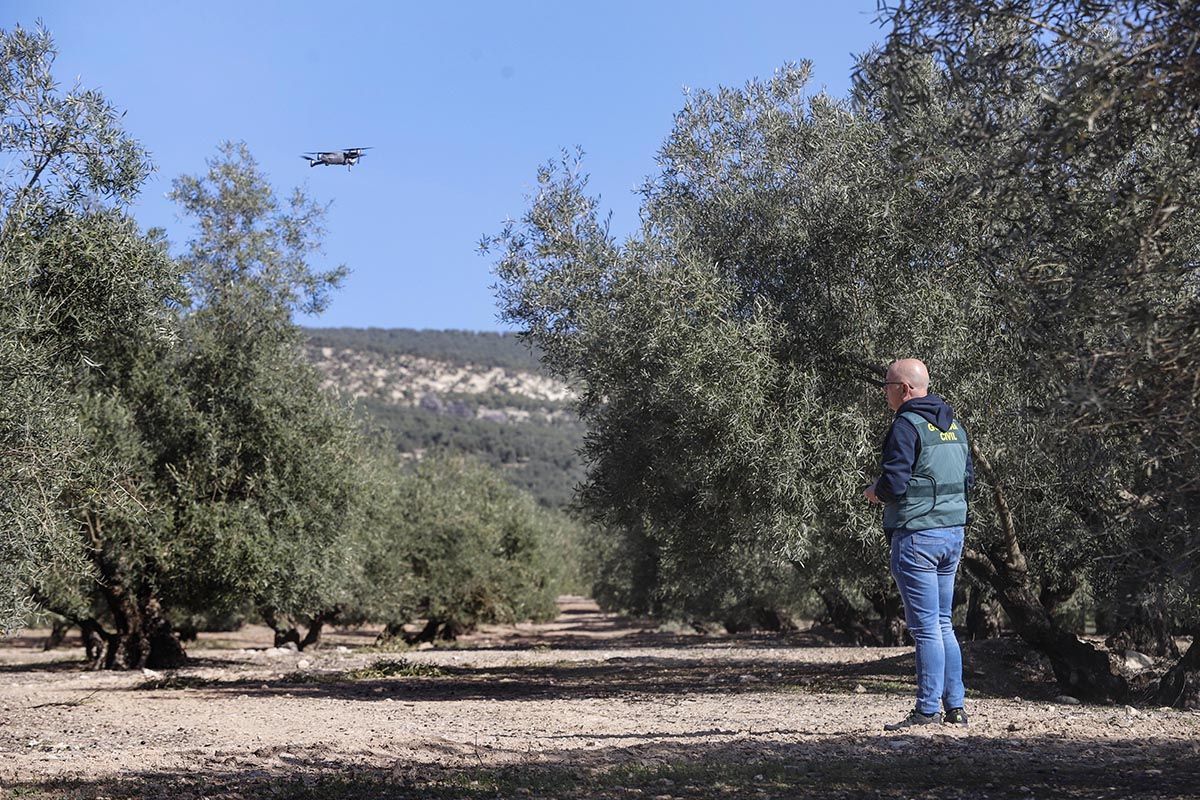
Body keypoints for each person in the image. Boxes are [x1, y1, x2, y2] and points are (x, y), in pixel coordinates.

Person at [864, 358, 974, 730]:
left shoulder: (906, 426)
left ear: (905, 389)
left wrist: (874, 493)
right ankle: (955, 707)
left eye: (888, 386)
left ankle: (927, 710)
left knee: (926, 628)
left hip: (917, 536)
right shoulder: (955, 426)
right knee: (944, 624)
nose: (885, 392)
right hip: (953, 533)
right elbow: (967, 480)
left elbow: (894, 484)